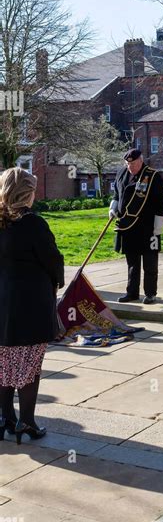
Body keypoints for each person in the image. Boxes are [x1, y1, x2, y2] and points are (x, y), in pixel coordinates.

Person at [0, 167, 64, 444]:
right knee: (29, 365)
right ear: (27, 193)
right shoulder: (33, 224)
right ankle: (26, 421)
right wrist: (58, 280)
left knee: (2, 363)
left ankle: (4, 418)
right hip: (29, 305)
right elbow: (52, 261)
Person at [110, 148, 163, 304]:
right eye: (128, 164)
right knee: (132, 263)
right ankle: (132, 293)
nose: (130, 168)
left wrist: (158, 227)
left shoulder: (152, 176)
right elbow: (117, 195)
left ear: (141, 161)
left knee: (150, 263)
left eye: (134, 164)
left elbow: (162, 203)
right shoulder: (121, 173)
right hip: (127, 226)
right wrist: (113, 208)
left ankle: (150, 293)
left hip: (148, 227)